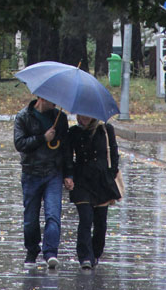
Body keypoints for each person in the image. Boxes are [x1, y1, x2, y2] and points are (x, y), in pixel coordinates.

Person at [14, 97, 73, 269]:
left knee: (53, 214)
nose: (55, 102)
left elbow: (65, 147)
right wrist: (43, 138)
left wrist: (69, 173)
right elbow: (20, 144)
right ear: (41, 98)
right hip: (31, 174)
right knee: (30, 219)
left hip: (53, 173)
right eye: (51, 99)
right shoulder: (23, 117)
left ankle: (51, 253)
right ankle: (32, 250)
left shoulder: (59, 118)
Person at [66, 114, 120, 269]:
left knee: (100, 222)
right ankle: (85, 257)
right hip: (82, 181)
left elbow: (114, 153)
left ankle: (96, 253)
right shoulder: (74, 132)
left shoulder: (106, 130)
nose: (83, 118)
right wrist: (68, 175)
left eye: (86, 115)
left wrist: (111, 173)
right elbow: (68, 156)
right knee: (85, 218)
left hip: (102, 181)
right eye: (80, 115)